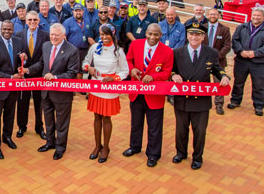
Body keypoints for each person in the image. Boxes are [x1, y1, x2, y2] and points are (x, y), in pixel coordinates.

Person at [171, 22, 230, 170]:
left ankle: (197, 157)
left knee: (199, 131)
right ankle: (181, 153)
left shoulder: (211, 52)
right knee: (181, 129)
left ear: (203, 37)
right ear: (187, 35)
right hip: (183, 99)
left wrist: (224, 77)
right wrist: (174, 75)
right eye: (191, 34)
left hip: (201, 100)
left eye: (198, 34)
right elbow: (171, 70)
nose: (194, 37)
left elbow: (217, 69)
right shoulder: (177, 52)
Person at [123, 23, 173, 167]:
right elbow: (129, 60)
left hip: (154, 96)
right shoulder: (135, 45)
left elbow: (167, 72)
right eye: (150, 34)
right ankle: (134, 146)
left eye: (156, 35)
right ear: (146, 33)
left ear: (160, 36)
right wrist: (131, 70)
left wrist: (154, 77)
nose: (152, 37)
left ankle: (153, 154)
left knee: (154, 127)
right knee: (135, 123)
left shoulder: (167, 51)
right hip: (136, 92)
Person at [28, 23, 79, 160]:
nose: (53, 37)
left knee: (62, 121)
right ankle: (50, 142)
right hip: (46, 91)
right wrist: (28, 70)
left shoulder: (72, 50)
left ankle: (60, 147)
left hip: (62, 93)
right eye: (51, 34)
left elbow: (72, 73)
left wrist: (55, 77)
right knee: (48, 119)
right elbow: (41, 64)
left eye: (56, 35)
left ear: (64, 35)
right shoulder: (46, 46)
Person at [82, 24, 129, 163]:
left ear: (113, 35)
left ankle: (106, 148)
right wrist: (88, 68)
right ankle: (97, 146)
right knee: (97, 117)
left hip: (109, 88)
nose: (104, 37)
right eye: (101, 34)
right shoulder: (95, 47)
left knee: (106, 118)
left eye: (107, 34)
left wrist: (113, 78)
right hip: (96, 86)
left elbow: (125, 71)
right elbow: (85, 61)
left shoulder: (118, 51)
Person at [0, 21, 27, 159]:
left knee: (10, 114)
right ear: (1, 29)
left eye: (9, 29)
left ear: (13, 29)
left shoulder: (18, 42)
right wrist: (10, 77)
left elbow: (21, 59)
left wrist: (24, 60)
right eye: (4, 29)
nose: (7, 31)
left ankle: (7, 137)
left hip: (13, 89)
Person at [228, 7, 264, 116]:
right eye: (254, 15)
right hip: (242, 60)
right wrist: (240, 51)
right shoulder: (242, 27)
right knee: (238, 82)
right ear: (251, 15)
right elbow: (235, 40)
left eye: (259, 15)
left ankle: (259, 105)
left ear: (263, 17)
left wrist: (256, 53)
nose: (256, 17)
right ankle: (235, 100)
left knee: (259, 85)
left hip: (259, 63)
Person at [15, 11, 49, 140]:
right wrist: (19, 59)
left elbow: (43, 59)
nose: (32, 22)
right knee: (22, 102)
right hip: (23, 77)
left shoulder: (45, 36)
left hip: (38, 75)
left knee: (39, 103)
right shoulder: (19, 35)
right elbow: (16, 54)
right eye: (30, 20)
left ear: (39, 20)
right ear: (26, 21)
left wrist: (29, 70)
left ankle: (39, 127)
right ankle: (21, 126)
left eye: (35, 19)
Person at [203, 8, 232, 115]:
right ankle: (204, 101)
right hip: (203, 61)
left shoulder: (224, 29)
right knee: (203, 82)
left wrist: (216, 56)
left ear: (218, 15)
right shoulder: (203, 27)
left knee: (219, 83)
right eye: (211, 14)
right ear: (207, 15)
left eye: (215, 14)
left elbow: (227, 46)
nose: (213, 16)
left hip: (219, 61)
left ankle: (219, 104)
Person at [63, 4, 91, 81]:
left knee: (81, 70)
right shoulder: (67, 22)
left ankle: (79, 87)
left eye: (80, 11)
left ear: (83, 11)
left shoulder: (87, 21)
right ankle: (72, 88)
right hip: (72, 50)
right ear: (73, 12)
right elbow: (64, 37)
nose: (78, 12)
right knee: (72, 69)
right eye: (76, 11)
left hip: (84, 49)